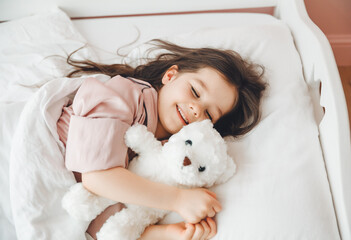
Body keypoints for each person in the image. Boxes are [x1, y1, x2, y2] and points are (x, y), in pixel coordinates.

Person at [57, 39, 266, 240]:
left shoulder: (169, 154)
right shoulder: (125, 95)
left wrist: (170, 233)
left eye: (209, 114)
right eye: (194, 91)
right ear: (170, 75)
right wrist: (178, 200)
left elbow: (107, 222)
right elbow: (97, 177)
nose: (196, 109)